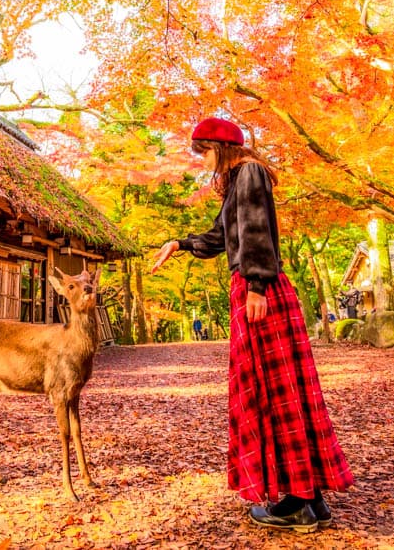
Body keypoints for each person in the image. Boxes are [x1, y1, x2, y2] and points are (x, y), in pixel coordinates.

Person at [151, 117, 353, 533]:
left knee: (272, 390)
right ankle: (309, 498)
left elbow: (256, 231)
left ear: (221, 147)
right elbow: (220, 236)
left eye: (205, 152)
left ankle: (298, 502)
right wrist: (179, 243)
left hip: (259, 289)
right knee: (282, 388)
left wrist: (256, 286)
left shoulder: (249, 172)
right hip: (255, 285)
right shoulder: (240, 179)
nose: (205, 162)